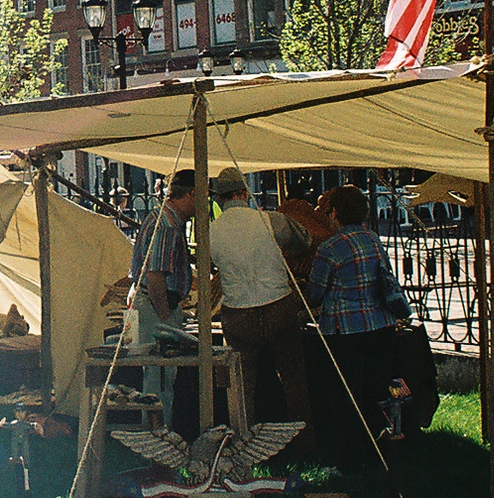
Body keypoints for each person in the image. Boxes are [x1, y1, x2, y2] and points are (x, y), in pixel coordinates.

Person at [306, 185, 409, 466]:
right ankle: (379, 452)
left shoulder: (330, 247)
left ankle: (351, 458)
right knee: (375, 393)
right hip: (380, 326)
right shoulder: (373, 239)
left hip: (345, 331)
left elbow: (315, 292)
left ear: (335, 213)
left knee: (347, 397)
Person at [209, 167, 314, 436]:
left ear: (220, 199)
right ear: (245, 193)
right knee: (294, 382)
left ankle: (245, 445)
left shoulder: (210, 232)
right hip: (278, 303)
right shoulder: (272, 220)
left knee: (242, 387)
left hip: (238, 311)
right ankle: (302, 442)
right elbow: (305, 240)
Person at [128, 169, 198, 417]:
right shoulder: (167, 225)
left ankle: (156, 434)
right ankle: (157, 438)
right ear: (191, 194)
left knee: (157, 378)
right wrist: (167, 317)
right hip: (156, 305)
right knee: (159, 381)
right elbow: (155, 276)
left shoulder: (160, 217)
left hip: (152, 301)